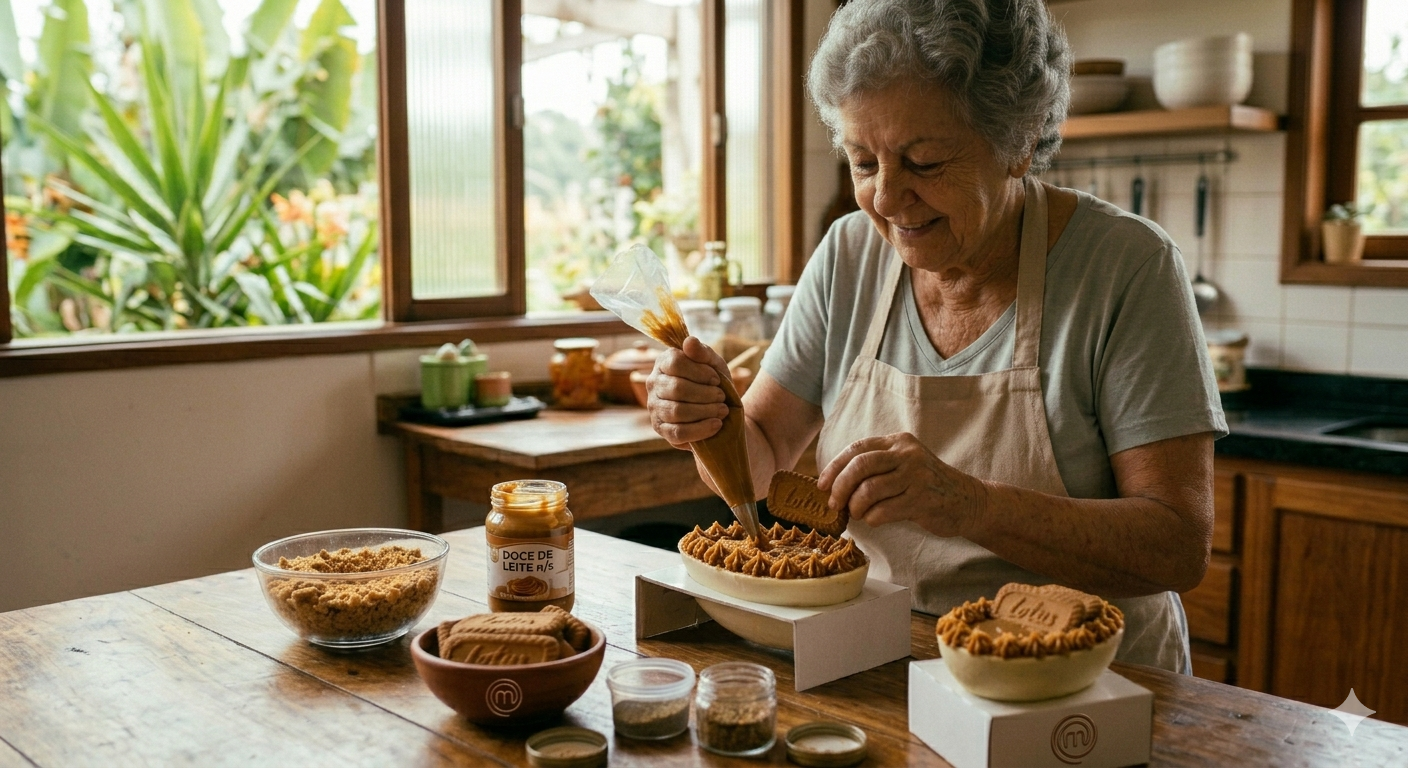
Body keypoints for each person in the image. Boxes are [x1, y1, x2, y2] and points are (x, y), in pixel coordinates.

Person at [645, 0, 1226, 673]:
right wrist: (707, 420)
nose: (888, 199)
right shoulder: (849, 254)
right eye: (863, 163)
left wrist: (972, 506)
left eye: (923, 163)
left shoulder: (1124, 265)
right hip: (884, 661)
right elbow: (765, 455)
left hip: (1088, 683)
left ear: (1021, 139)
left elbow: (1177, 546)